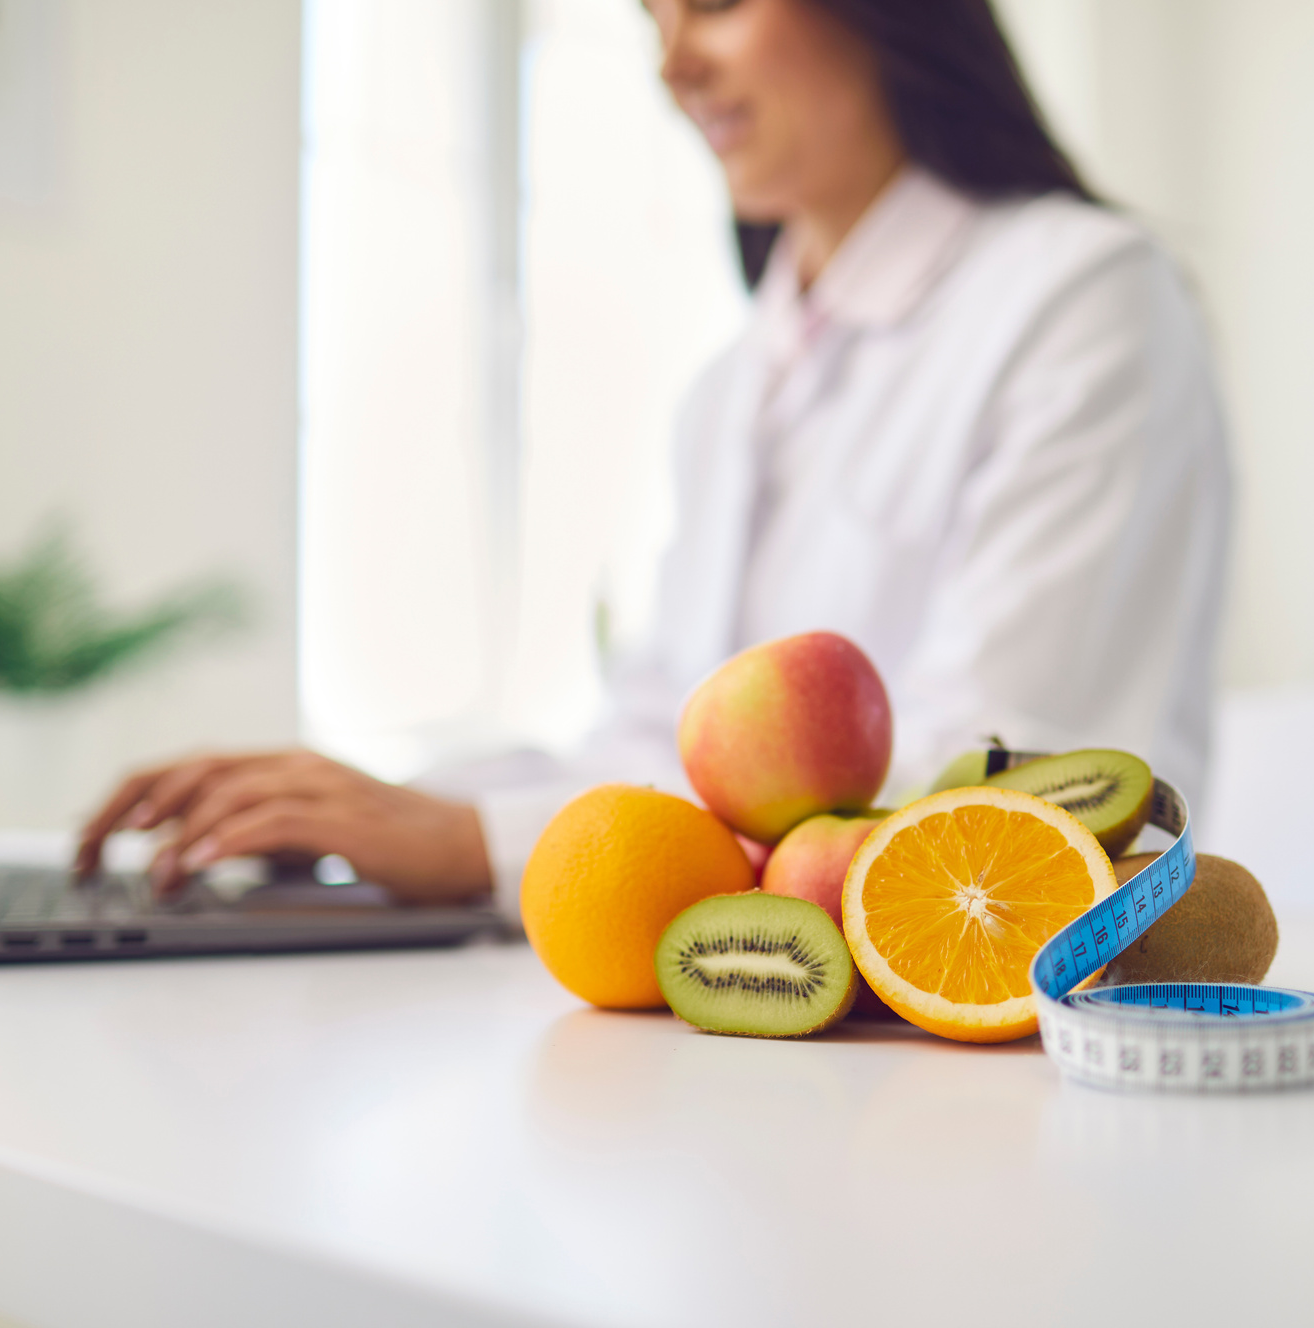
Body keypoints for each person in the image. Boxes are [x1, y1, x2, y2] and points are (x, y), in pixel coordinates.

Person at [75, 0, 1231, 922]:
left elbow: (1008, 772)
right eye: (651, 17)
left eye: (715, 5)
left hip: (993, 1023)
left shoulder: (1083, 297)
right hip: (766, 1038)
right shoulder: (734, 383)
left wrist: (474, 845)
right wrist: (365, 805)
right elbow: (648, 742)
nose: (672, 64)